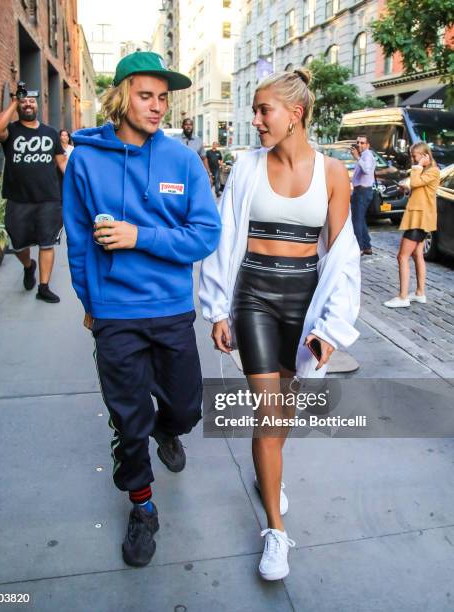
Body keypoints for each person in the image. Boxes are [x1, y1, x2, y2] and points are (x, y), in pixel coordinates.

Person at [199, 68, 361, 581]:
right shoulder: (247, 168)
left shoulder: (334, 174)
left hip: (303, 304)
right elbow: (225, 240)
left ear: (295, 114)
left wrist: (332, 327)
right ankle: (275, 530)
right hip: (254, 301)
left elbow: (342, 257)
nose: (255, 121)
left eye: (263, 110)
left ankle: (269, 473)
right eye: (254, 110)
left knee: (281, 417)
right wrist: (219, 308)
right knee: (269, 416)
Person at [62, 51, 221, 568]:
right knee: (128, 422)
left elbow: (206, 235)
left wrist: (139, 236)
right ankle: (142, 506)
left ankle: (168, 429)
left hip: (171, 307)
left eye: (163, 98)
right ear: (121, 95)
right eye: (145, 95)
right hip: (114, 311)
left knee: (186, 408)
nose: (156, 107)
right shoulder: (86, 160)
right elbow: (79, 240)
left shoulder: (181, 160)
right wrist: (90, 302)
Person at [0, 90, 66, 303]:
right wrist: (13, 102)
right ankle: (28, 265)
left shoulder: (51, 133)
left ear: (37, 105)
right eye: (23, 102)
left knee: (47, 243)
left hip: (48, 199)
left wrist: (76, 183)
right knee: (18, 245)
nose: (28, 104)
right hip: (18, 199)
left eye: (31, 101)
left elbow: (61, 162)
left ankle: (44, 287)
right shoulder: (11, 131)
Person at [383, 142, 440, 308]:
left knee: (402, 256)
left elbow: (416, 182)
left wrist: (417, 167)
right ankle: (420, 293)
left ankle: (402, 297)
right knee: (417, 255)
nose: (413, 159)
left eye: (415, 156)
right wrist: (406, 190)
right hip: (418, 218)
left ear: (425, 155)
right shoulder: (425, 171)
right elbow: (418, 189)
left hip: (419, 219)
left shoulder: (433, 171)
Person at [350, 135, 376, 255]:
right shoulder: (363, 156)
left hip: (363, 192)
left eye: (362, 143)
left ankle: (359, 247)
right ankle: (366, 246)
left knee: (357, 220)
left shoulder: (367, 155)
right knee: (360, 219)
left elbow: (367, 170)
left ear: (367, 145)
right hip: (360, 191)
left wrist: (357, 158)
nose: (359, 145)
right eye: (358, 142)